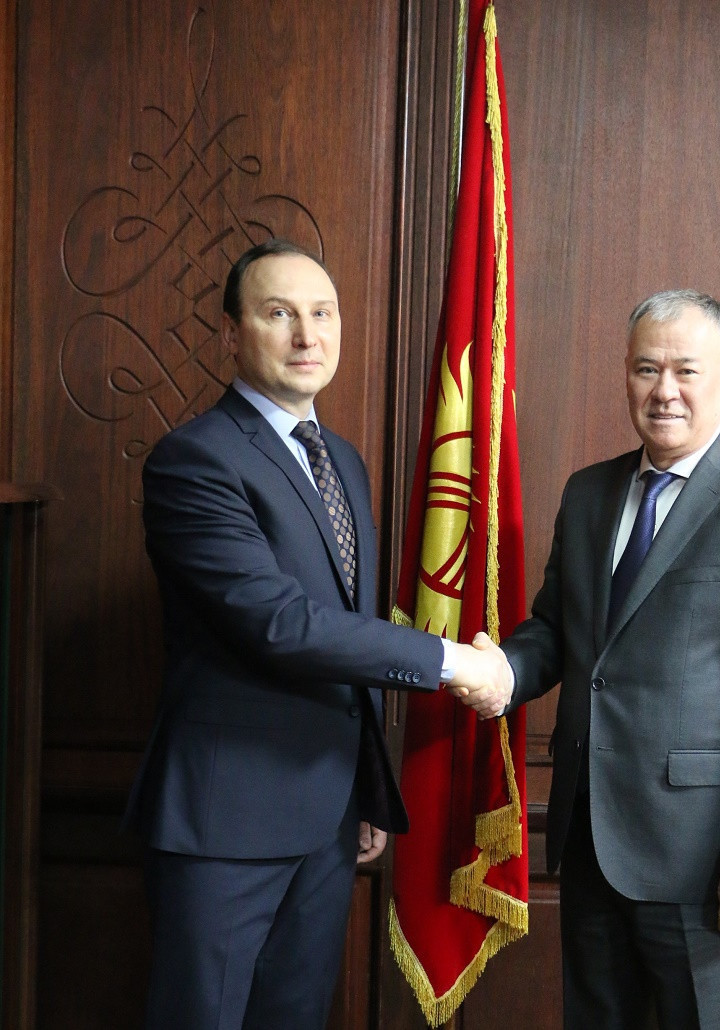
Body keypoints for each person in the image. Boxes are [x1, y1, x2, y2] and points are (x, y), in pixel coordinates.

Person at [124, 239, 510, 1030]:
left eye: (322, 313)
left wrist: (362, 784)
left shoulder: (343, 461)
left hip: (329, 817)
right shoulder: (194, 461)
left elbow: (349, 629)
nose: (307, 334)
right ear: (230, 333)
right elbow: (282, 626)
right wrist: (451, 663)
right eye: (279, 313)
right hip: (224, 822)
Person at [460, 290, 720, 1028]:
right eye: (646, 369)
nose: (664, 390)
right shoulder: (589, 493)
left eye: (685, 371)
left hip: (708, 864)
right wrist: (506, 671)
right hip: (591, 844)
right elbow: (558, 629)